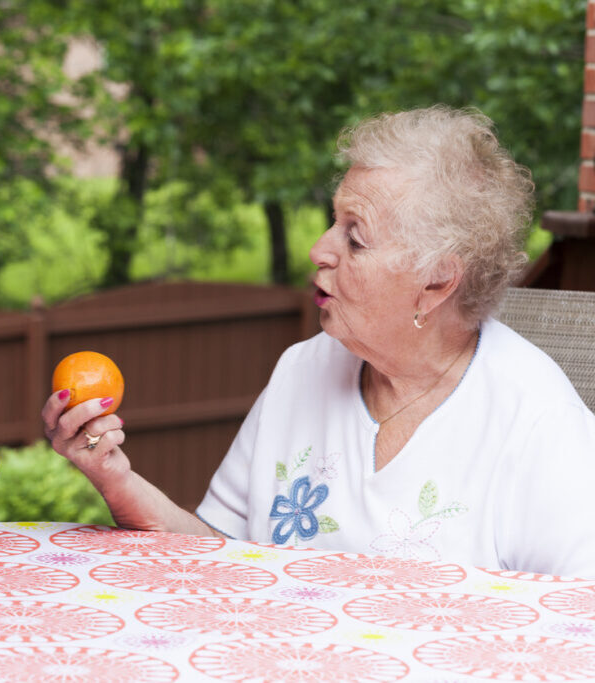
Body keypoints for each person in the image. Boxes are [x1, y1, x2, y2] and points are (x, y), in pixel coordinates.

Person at [44, 105, 595, 578]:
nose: (319, 249)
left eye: (354, 237)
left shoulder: (538, 424)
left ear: (437, 281)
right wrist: (113, 476)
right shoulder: (302, 369)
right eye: (334, 221)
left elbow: (576, 622)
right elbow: (213, 553)